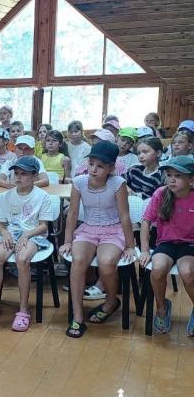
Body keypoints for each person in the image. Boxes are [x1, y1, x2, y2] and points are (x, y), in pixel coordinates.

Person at [59, 141, 135, 338]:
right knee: (78, 261)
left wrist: (130, 245)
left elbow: (125, 216)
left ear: (111, 168)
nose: (93, 169)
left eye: (100, 166)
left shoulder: (118, 184)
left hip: (113, 229)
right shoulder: (79, 182)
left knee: (106, 262)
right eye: (91, 163)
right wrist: (68, 241)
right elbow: (73, 213)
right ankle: (77, 316)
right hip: (87, 229)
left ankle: (111, 301)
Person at [0, 156, 53, 332]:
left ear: (34, 176)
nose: (18, 177)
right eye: (16, 173)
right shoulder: (6, 196)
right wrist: (5, 234)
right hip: (11, 231)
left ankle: (23, 309)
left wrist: (27, 235)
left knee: (22, 259)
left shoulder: (43, 196)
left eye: (24, 174)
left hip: (33, 233)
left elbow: (44, 225)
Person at [139, 155, 194, 334]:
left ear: (191, 180)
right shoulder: (161, 194)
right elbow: (146, 221)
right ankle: (162, 307)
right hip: (166, 243)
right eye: (169, 175)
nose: (172, 179)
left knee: (187, 272)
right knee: (158, 268)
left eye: (178, 176)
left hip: (189, 245)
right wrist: (145, 250)